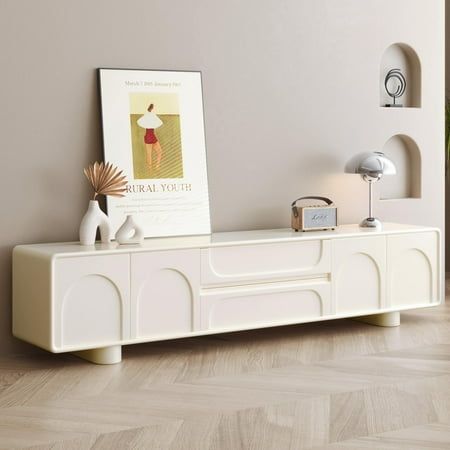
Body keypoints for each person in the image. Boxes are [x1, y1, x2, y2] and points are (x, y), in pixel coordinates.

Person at [137, 103, 163, 171]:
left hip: (149, 135)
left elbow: (139, 121)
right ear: (152, 108)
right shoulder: (152, 115)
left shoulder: (147, 115)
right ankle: (152, 168)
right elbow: (160, 122)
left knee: (153, 153)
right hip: (150, 135)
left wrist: (146, 125)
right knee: (156, 153)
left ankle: (153, 168)